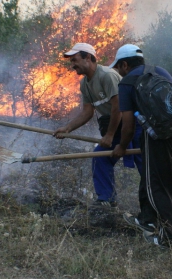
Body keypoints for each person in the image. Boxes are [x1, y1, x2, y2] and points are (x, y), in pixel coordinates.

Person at [110, 44, 172, 249]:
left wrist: (121, 147)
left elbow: (128, 126)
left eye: (118, 68)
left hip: (159, 133)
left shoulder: (127, 83)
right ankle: (147, 219)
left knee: (157, 182)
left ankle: (167, 239)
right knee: (154, 175)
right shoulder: (160, 72)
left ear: (125, 64)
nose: (119, 72)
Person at [54, 43, 142, 209]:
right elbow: (87, 112)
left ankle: (154, 204)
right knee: (100, 156)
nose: (72, 65)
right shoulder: (84, 84)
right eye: (71, 61)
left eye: (75, 60)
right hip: (115, 125)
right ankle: (106, 200)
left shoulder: (107, 75)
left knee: (144, 163)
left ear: (88, 57)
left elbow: (119, 107)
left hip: (133, 123)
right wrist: (67, 128)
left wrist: (109, 136)